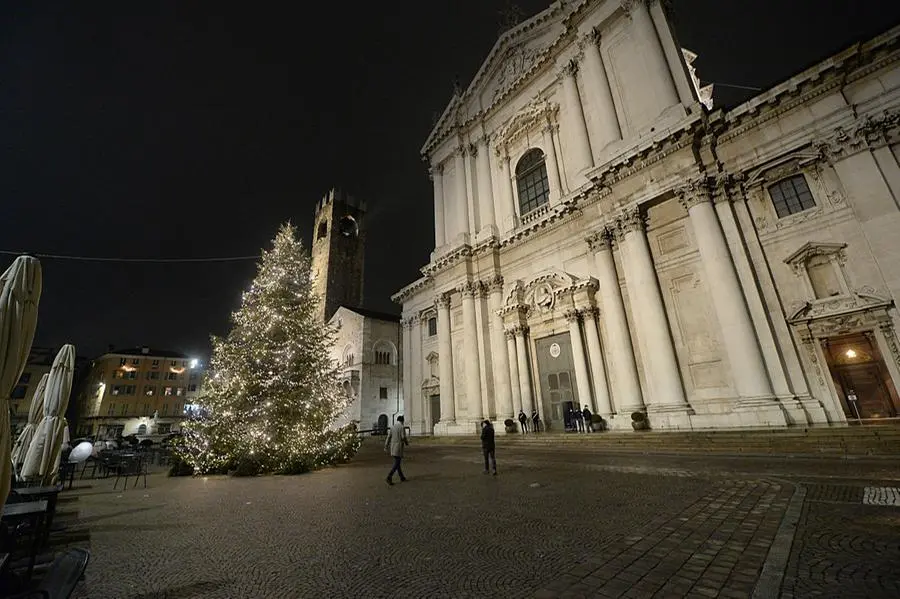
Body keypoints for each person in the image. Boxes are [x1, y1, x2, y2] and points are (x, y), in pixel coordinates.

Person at [384, 415, 409, 485]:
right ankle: (389, 476)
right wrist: (406, 442)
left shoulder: (392, 427)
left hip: (393, 447)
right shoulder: (401, 427)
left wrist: (386, 446)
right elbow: (403, 437)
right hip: (398, 447)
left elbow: (388, 437)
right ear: (402, 421)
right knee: (397, 463)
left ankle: (402, 477)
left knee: (397, 463)